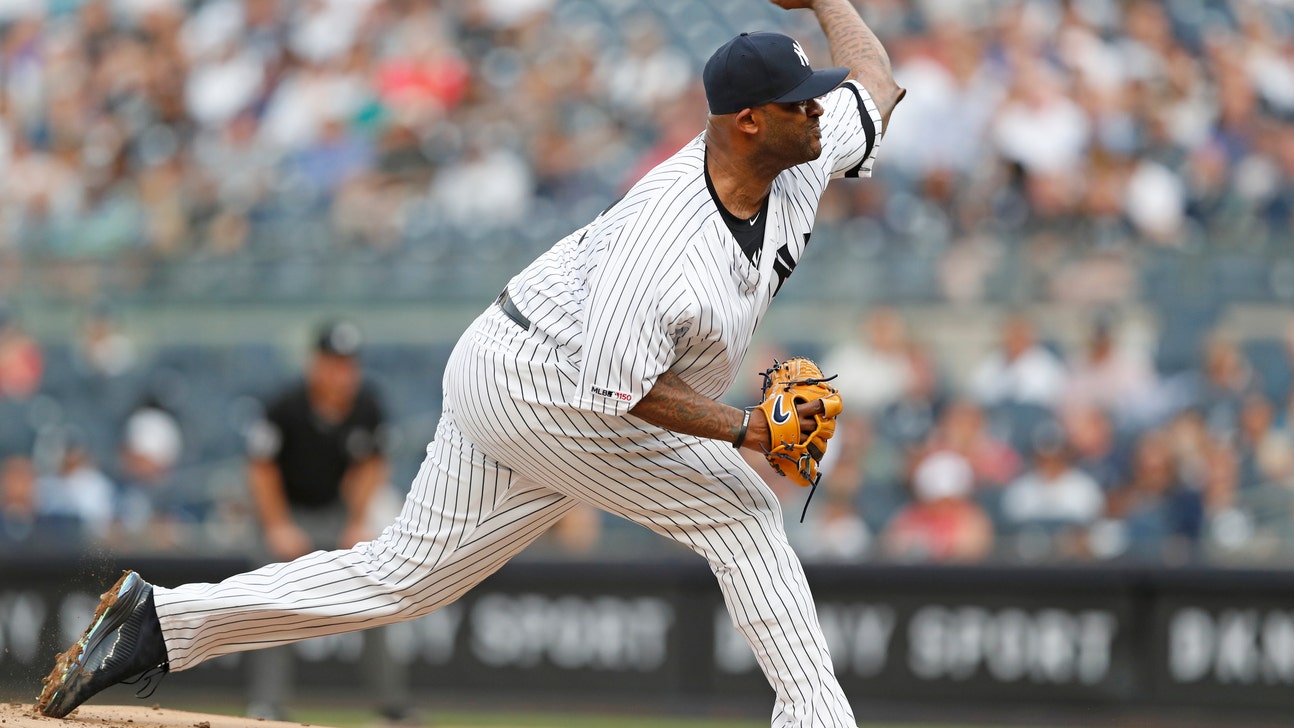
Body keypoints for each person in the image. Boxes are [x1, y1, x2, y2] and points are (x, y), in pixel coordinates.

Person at [37, 2, 904, 726]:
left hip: (524, 366)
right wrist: (751, 430)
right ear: (748, 120)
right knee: (742, 511)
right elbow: (619, 390)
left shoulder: (800, 154)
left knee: (404, 579)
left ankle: (161, 622)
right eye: (801, 103)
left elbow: (879, 85)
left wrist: (827, 2)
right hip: (548, 383)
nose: (819, 112)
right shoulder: (665, 239)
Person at [240, 320, 410, 722]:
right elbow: (261, 470)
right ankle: (267, 705)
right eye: (333, 363)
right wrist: (278, 525)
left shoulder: (367, 404)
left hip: (335, 513)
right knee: (273, 601)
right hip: (289, 512)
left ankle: (391, 705)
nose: (341, 373)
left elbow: (372, 466)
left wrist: (356, 521)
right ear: (315, 364)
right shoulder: (285, 405)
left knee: (378, 593)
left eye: (349, 365)